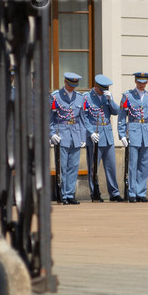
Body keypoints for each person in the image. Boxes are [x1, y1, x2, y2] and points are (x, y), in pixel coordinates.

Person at [117, 72, 148, 203]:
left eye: (144, 82)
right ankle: (132, 193)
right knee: (133, 164)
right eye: (139, 82)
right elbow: (122, 116)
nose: (141, 85)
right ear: (135, 81)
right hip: (133, 131)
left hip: (146, 132)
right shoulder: (127, 96)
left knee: (144, 165)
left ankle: (141, 193)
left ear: (147, 82)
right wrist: (122, 134)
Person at [83, 74, 122, 202]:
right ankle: (94, 192)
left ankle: (114, 193)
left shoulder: (107, 97)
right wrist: (90, 132)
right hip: (95, 136)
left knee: (111, 167)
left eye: (106, 89)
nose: (104, 91)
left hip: (107, 135)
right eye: (102, 89)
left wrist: (111, 100)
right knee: (93, 167)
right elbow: (84, 118)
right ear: (95, 86)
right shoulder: (87, 97)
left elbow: (116, 112)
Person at [49, 72, 87, 204]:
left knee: (73, 166)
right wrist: (52, 133)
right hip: (62, 134)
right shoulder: (55, 96)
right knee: (63, 166)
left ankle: (70, 194)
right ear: (65, 82)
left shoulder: (80, 97)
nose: (72, 88)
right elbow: (49, 118)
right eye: (70, 85)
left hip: (75, 134)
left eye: (74, 85)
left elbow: (82, 119)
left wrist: (83, 137)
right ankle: (63, 194)